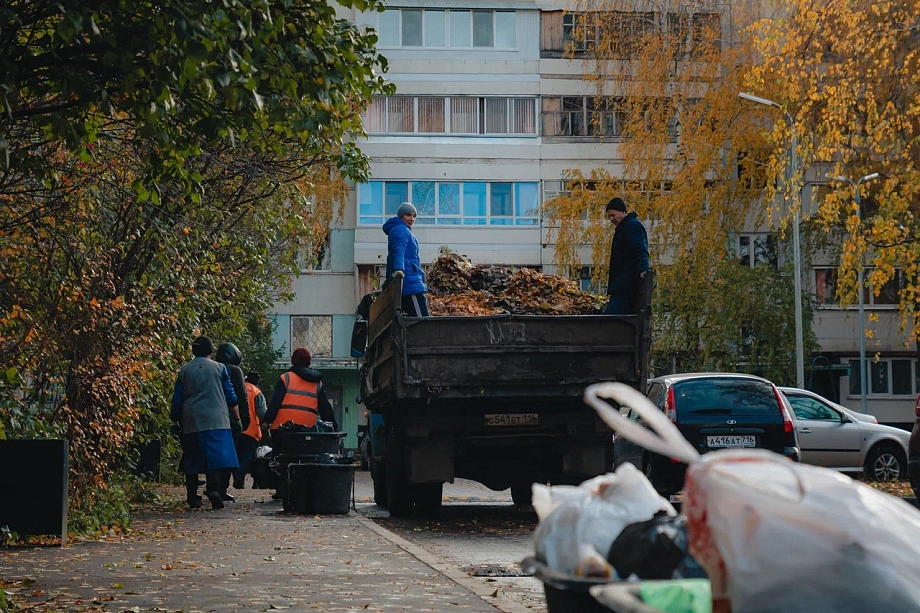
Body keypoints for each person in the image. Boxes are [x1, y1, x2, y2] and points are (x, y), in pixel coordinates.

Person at [170, 336, 241, 509]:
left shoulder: (184, 370)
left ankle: (192, 496)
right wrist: (237, 419)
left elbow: (178, 398)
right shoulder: (220, 368)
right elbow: (230, 396)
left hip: (192, 420)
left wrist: (174, 420)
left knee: (193, 457)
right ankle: (215, 489)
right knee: (216, 457)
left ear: (193, 351)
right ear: (210, 351)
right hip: (217, 419)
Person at [263, 347, 339, 442]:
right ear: (309, 361)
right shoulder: (317, 383)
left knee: (280, 456)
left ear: (293, 361)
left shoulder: (286, 378)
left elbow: (275, 403)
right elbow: (325, 410)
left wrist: (266, 421)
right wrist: (334, 427)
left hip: (282, 430)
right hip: (308, 432)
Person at [604, 197, 651, 315]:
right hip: (622, 286)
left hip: (626, 287)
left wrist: (644, 270)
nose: (611, 219)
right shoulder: (624, 227)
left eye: (613, 215)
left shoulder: (631, 226)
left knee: (610, 320)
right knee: (607, 318)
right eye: (609, 216)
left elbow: (640, 249)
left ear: (622, 212)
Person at [214, 342, 249, 499]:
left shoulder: (214, 368)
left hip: (213, 417)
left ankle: (212, 485)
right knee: (229, 453)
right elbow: (241, 396)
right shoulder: (235, 370)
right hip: (231, 417)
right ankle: (221, 488)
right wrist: (244, 418)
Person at [383, 202, 430, 317]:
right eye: (408, 215)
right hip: (409, 283)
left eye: (414, 216)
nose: (412, 219)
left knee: (417, 320)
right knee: (422, 320)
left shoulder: (404, 230)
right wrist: (399, 270)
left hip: (410, 280)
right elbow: (399, 251)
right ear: (401, 216)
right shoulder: (401, 230)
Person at [231, 371, 267, 490]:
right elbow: (262, 413)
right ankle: (239, 479)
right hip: (251, 430)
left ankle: (237, 478)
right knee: (248, 456)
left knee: (236, 455)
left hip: (235, 428)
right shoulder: (256, 392)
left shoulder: (237, 387)